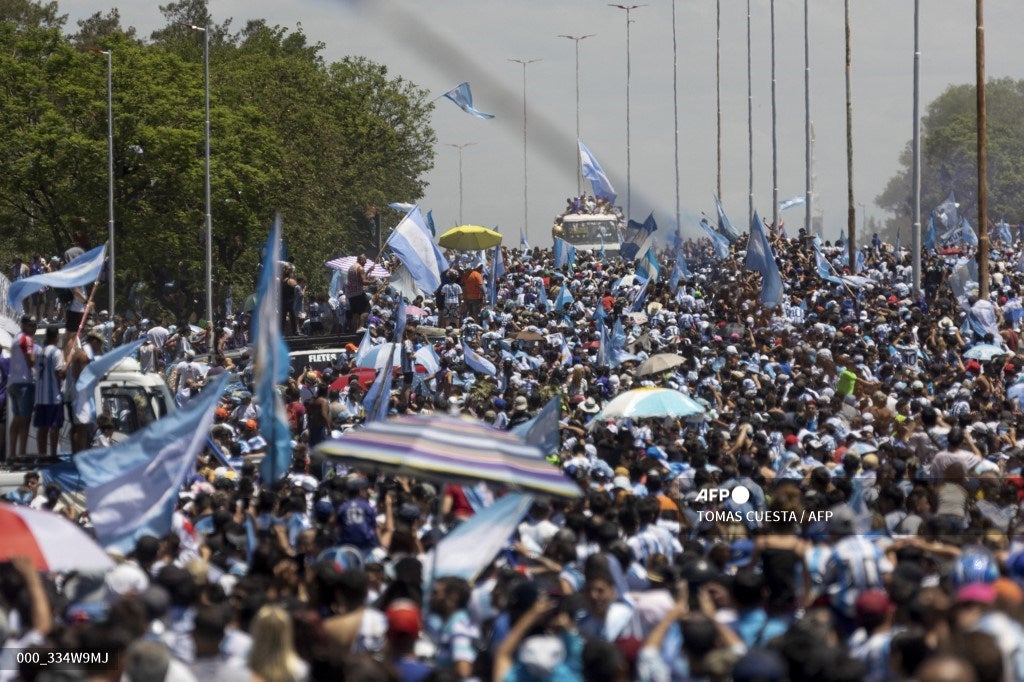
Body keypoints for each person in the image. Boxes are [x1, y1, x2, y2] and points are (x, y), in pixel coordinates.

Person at [8, 315, 37, 460]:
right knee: (25, 421)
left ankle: (13, 454)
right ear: (24, 325)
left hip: (13, 383)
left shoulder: (15, 338)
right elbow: (31, 360)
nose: (34, 328)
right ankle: (22, 455)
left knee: (17, 419)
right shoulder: (26, 339)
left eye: (35, 325)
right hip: (24, 383)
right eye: (31, 325)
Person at [346, 255, 373, 331]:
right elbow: (364, 281)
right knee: (367, 309)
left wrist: (368, 271)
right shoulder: (360, 268)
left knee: (356, 313)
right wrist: (373, 282)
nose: (366, 262)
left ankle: (353, 330)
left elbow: (359, 278)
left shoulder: (351, 268)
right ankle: (361, 327)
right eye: (365, 260)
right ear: (361, 260)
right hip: (359, 293)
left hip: (351, 294)